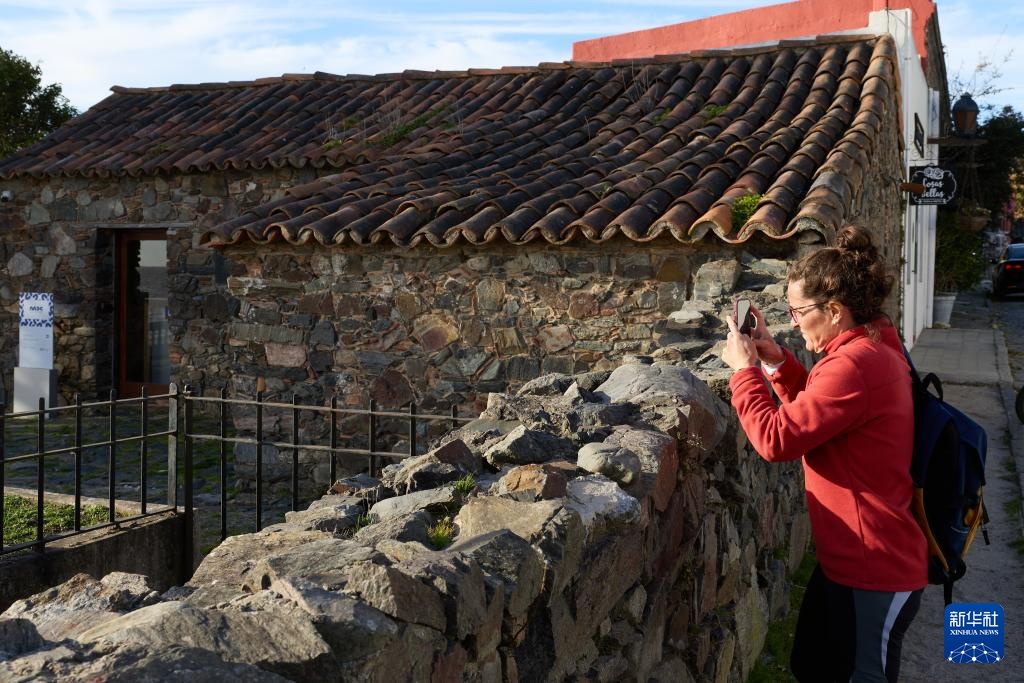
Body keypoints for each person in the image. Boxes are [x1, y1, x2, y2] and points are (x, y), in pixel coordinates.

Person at [720, 225, 927, 682]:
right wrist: (775, 360)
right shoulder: (871, 343)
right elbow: (823, 411)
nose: (793, 323)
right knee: (812, 667)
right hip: (850, 559)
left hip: (874, 568)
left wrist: (744, 372)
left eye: (798, 312)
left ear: (833, 310)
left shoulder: (854, 363)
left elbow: (776, 440)